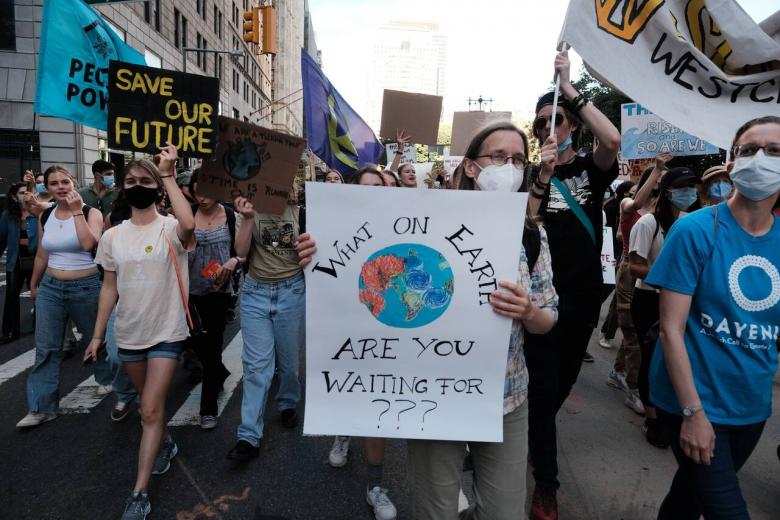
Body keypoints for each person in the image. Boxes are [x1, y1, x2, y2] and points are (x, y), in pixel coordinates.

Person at [307, 122, 559, 519]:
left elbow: (548, 319)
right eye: (498, 156)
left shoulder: (530, 234)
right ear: (472, 167)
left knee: (505, 512)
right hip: (432, 398)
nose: (508, 167)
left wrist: (529, 311)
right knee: (434, 511)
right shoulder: (431, 218)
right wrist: (317, 253)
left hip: (505, 399)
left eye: (517, 159)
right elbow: (352, 260)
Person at [648, 116, 780, 519]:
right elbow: (670, 330)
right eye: (749, 149)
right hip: (692, 402)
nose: (761, 158)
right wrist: (693, 413)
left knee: (689, 498)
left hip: (751, 407)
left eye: (774, 151)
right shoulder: (694, 230)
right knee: (727, 510)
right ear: (732, 161)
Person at [524, 50, 621, 519]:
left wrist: (568, 90)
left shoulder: (590, 169)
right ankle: (547, 483)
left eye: (557, 120)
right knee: (543, 393)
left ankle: (532, 436)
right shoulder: (527, 176)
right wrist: (541, 177)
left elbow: (613, 138)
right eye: (541, 123)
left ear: (573, 126)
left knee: (558, 389)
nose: (549, 128)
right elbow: (525, 226)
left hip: (581, 301)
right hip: (539, 301)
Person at [84, 144, 195, 520]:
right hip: (130, 333)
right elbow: (108, 288)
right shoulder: (112, 237)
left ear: (158, 187)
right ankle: (166, 441)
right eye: (130, 180)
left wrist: (167, 174)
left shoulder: (171, 227)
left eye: (145, 181)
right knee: (150, 406)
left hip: (167, 331)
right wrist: (98, 335)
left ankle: (139, 493)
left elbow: (190, 225)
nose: (136, 186)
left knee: (148, 409)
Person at [16, 165, 107, 429]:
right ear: (48, 188)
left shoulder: (91, 213)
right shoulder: (46, 214)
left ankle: (108, 379)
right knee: (46, 347)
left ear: (74, 183)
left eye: (64, 182)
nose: (60, 187)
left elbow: (90, 244)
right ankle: (42, 407)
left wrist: (77, 211)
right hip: (51, 287)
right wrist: (35, 284)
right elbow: (42, 253)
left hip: (86, 286)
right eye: (54, 183)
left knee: (95, 339)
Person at [227, 176, 306, 461]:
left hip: (292, 292)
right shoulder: (249, 209)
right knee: (256, 366)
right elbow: (240, 252)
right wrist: (248, 218)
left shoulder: (302, 212)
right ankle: (249, 435)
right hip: (256, 293)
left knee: (289, 363)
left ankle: (287, 402)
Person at [630, 166, 701, 448]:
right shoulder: (648, 224)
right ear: (668, 191)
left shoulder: (693, 223)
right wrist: (671, 276)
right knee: (651, 358)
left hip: (682, 302)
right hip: (649, 299)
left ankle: (674, 411)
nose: (689, 192)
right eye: (683, 186)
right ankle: (652, 417)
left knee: (675, 357)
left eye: (692, 186)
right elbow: (634, 266)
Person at [606, 158, 668, 417]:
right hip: (629, 271)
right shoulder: (628, 205)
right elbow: (637, 204)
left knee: (639, 329)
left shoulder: (665, 213)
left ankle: (618, 371)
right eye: (657, 181)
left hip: (653, 275)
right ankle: (634, 388)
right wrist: (656, 170)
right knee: (631, 328)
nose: (660, 185)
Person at [187, 170, 238, 430]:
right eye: (197, 192)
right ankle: (219, 372)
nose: (202, 197)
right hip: (189, 293)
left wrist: (234, 261)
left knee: (214, 344)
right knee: (196, 345)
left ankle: (208, 409)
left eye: (207, 192)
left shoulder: (230, 216)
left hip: (219, 293)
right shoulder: (185, 216)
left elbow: (242, 251)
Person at [597, 180, 635, 349]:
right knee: (610, 296)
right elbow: (613, 234)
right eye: (631, 192)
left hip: (618, 256)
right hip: (612, 256)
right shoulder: (612, 207)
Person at [0, 183, 39, 343]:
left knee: (38, 294)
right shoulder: (8, 215)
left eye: (28, 192)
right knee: (11, 296)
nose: (26, 195)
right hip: (15, 260)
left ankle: (40, 326)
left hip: (37, 259)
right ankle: (10, 331)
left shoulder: (37, 213)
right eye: (22, 193)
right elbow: (1, 239)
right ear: (14, 197)